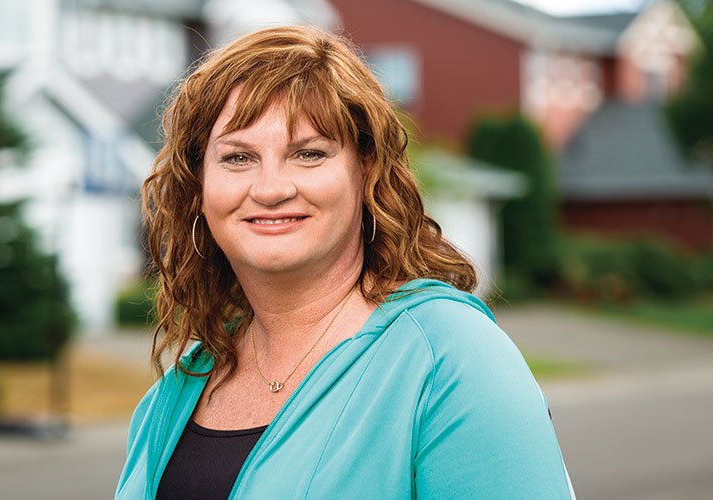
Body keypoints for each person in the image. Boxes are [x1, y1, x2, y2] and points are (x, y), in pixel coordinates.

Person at [115, 25, 574, 499]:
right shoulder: (170, 399)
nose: (271, 189)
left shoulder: (449, 357)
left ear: (366, 171)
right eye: (237, 158)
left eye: (309, 154)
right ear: (200, 187)